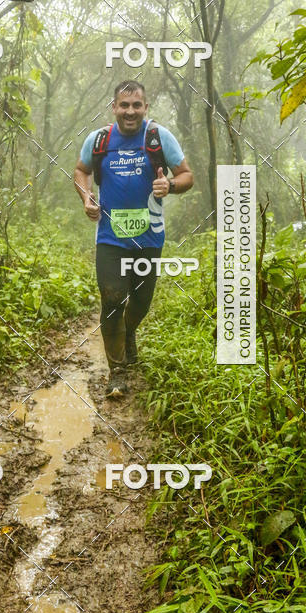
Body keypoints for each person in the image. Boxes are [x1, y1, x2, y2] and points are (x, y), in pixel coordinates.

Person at [74, 80, 194, 397]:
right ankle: (117, 372)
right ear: (114, 107)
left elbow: (187, 175)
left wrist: (171, 185)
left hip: (149, 239)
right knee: (112, 300)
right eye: (124, 105)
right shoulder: (99, 140)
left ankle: (129, 333)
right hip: (110, 239)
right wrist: (87, 197)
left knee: (140, 303)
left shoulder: (158, 137)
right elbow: (81, 170)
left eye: (136, 105)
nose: (130, 111)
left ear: (145, 107)